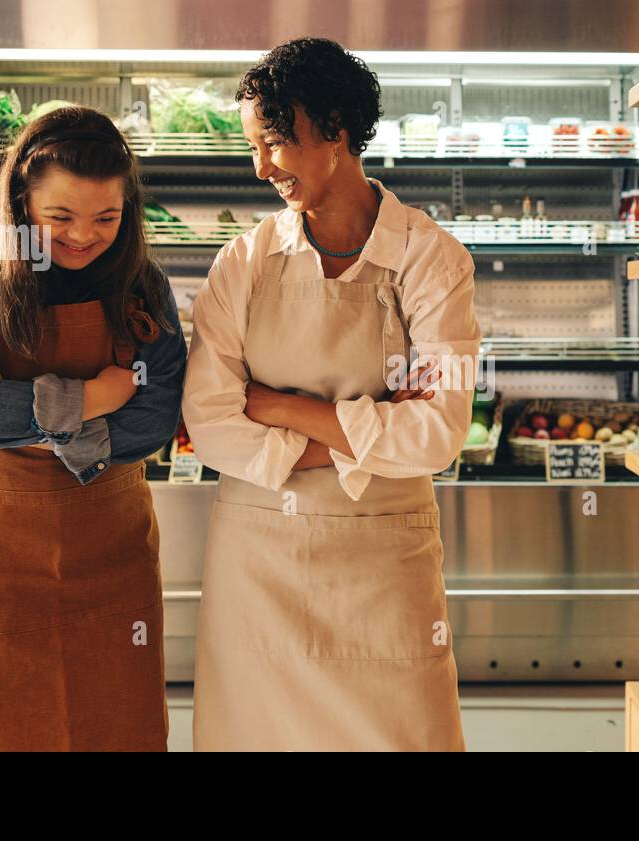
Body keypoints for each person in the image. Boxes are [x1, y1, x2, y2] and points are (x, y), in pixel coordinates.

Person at [184, 38, 480, 751]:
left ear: (337, 129)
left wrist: (284, 408)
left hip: (384, 570)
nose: (262, 168)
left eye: (277, 143)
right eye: (254, 148)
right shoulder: (243, 263)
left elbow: (439, 432)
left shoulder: (431, 259)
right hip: (259, 569)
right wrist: (369, 438)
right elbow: (212, 424)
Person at [0, 106, 186, 751]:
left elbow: (156, 416)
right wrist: (95, 395)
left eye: (106, 218)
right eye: (59, 218)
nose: (84, 236)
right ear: (19, 199)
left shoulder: (140, 282)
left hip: (107, 538)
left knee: (111, 715)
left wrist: (45, 419)